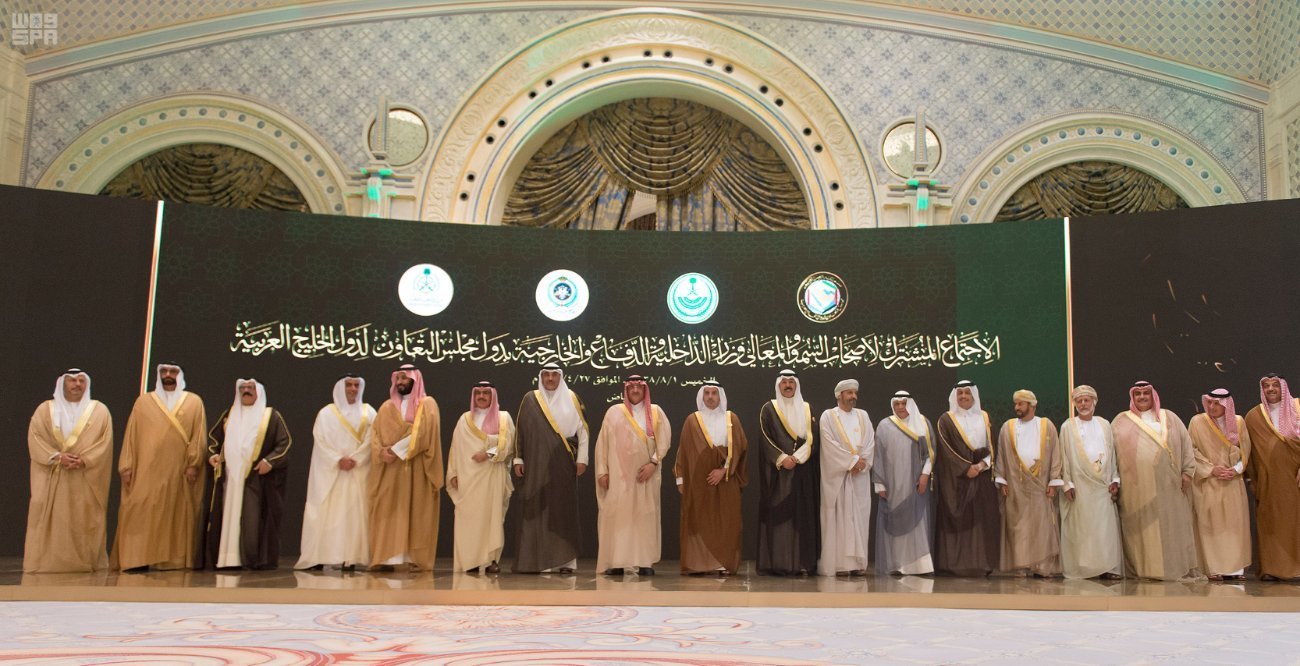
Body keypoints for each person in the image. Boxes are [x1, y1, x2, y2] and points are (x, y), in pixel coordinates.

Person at [112, 363, 206, 571]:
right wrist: (126, 465)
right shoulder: (144, 402)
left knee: (175, 513)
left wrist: (194, 463)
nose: (168, 376)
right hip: (145, 469)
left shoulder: (193, 402)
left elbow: (198, 436)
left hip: (178, 470)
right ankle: (136, 559)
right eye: (164, 372)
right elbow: (131, 436)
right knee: (139, 508)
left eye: (172, 372)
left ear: (180, 375)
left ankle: (172, 561)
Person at [24, 369, 113, 573]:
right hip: (53, 475)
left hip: (84, 477)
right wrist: (57, 457)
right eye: (72, 380)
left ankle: (83, 563)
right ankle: (46, 564)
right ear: (63, 384)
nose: (77, 385)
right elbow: (35, 438)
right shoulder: (45, 409)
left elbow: (104, 443)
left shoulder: (99, 411)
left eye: (81, 381)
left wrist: (84, 460)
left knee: (84, 519)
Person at [1111, 380, 1199, 580]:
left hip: (1170, 486)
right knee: (1144, 530)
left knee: (1170, 528)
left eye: (1146, 393)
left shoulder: (1170, 417)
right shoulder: (1121, 420)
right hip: (1137, 489)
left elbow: (1186, 445)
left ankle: (1172, 570)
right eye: (1138, 394)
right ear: (1132, 397)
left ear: (1153, 396)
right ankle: (1146, 570)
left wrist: (1187, 472)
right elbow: (1111, 453)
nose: (1142, 397)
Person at [201, 378, 292, 570]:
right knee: (227, 517)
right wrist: (213, 455)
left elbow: (284, 444)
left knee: (252, 521)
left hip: (256, 479)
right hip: (229, 477)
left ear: (259, 392)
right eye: (243, 388)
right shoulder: (230, 414)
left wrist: (269, 461)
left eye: (251, 388)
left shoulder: (270, 416)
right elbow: (213, 441)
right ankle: (227, 559)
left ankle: (251, 560)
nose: (246, 391)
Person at [512, 363, 589, 574]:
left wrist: (582, 459)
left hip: (563, 463)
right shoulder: (530, 398)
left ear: (560, 377)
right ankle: (539, 561)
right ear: (541, 376)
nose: (550, 378)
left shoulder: (572, 397)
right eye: (546, 374)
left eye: (554, 374)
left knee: (563, 511)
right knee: (537, 510)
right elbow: (521, 431)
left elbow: (583, 431)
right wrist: (518, 459)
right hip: (535, 464)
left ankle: (566, 562)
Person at [296, 375, 374, 570]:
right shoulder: (326, 414)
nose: (353, 389)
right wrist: (338, 460)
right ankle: (321, 557)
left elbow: (373, 440)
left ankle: (351, 558)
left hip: (357, 472)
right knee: (328, 515)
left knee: (354, 516)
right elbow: (320, 441)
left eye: (356, 385)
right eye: (349, 385)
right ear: (341, 387)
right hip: (331, 474)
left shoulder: (369, 412)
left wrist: (355, 458)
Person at [595, 375, 671, 576]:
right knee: (619, 518)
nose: (635, 390)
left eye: (639, 387)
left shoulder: (655, 412)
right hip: (619, 478)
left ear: (645, 389)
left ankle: (644, 562)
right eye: (632, 387)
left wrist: (653, 463)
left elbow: (664, 442)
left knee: (644, 517)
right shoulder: (613, 412)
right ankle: (617, 562)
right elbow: (602, 444)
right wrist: (603, 471)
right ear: (626, 390)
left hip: (646, 477)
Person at [370, 363, 443, 571]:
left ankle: (414, 559)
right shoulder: (386, 407)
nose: (401, 382)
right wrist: (380, 452)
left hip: (417, 469)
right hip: (390, 472)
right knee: (389, 512)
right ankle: (387, 558)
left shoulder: (427, 404)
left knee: (416, 513)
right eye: (398, 378)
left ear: (414, 380)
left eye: (405, 378)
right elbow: (374, 434)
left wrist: (396, 450)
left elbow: (423, 434)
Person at [674, 380, 747, 576]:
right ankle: (699, 564)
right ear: (702, 396)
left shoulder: (732, 419)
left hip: (726, 479)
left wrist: (724, 470)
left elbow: (740, 449)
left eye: (714, 393)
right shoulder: (692, 420)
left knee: (727, 520)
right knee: (700, 521)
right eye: (707, 393)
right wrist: (680, 478)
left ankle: (723, 563)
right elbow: (683, 451)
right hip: (699, 481)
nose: (710, 397)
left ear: (720, 396)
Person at [756, 369, 820, 576]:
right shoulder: (768, 408)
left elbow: (813, 439)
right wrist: (783, 459)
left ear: (797, 385)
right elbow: (765, 438)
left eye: (791, 381)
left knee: (802, 517)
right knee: (781, 519)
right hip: (779, 476)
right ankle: (780, 563)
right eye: (784, 382)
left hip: (802, 473)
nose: (788, 385)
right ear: (778, 385)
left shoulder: (807, 408)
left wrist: (797, 458)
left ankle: (801, 563)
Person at [447, 381, 514, 574]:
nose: (482, 397)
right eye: (479, 393)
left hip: (492, 477)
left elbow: (508, 444)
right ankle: (470, 561)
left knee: (492, 519)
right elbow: (455, 448)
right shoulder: (464, 419)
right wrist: (453, 473)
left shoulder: (503, 418)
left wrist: (488, 454)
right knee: (468, 520)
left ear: (493, 396)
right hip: (468, 480)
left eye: (486, 393)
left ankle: (491, 560)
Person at [934, 380, 1000, 576]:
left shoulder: (985, 417)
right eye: (960, 393)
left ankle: (983, 565)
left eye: (967, 393)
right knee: (960, 521)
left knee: (983, 520)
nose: (963, 396)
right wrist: (965, 468)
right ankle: (957, 566)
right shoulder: (946, 420)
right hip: (957, 481)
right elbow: (946, 452)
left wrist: (980, 466)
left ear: (974, 396)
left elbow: (992, 445)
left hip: (982, 477)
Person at [994, 389, 1063, 577]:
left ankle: (1041, 566)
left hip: (1040, 484)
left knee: (1041, 526)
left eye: (1020, 404)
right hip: (1016, 484)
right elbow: (1001, 454)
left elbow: (1056, 454)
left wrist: (1054, 480)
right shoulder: (1007, 427)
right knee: (1020, 527)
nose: (1016, 407)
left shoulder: (1046, 425)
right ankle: (1021, 565)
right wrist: (1001, 478)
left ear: (1031, 405)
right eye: (1015, 404)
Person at [1057, 385, 1123, 579]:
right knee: (1083, 528)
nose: (1083, 404)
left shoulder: (1104, 424)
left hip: (1103, 485)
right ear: (1075, 404)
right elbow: (1064, 457)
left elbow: (1112, 455)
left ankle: (1108, 568)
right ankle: (1086, 569)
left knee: (1104, 529)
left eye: (1087, 400)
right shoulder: (1067, 426)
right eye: (1079, 401)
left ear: (1094, 402)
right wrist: (1067, 483)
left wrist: (1115, 479)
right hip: (1080, 486)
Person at [1188, 388, 1251, 581]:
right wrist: (1211, 469)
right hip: (1208, 481)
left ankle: (1235, 569)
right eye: (1210, 403)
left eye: (1218, 404)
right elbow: (1192, 450)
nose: (1213, 407)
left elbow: (1245, 451)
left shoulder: (1239, 422)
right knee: (1211, 526)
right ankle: (1212, 568)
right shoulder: (1197, 422)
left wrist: (1237, 470)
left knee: (1234, 526)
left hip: (1232, 481)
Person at [1243, 373, 1300, 580]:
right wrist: (1253, 480)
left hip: (1295, 479)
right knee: (1272, 524)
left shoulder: (1298, 408)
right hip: (1269, 483)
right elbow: (1247, 451)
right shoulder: (1254, 416)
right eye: (1266, 386)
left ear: (1283, 387)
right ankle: (1273, 569)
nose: (1271, 389)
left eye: (1275, 385)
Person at [873, 390, 935, 576]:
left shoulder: (922, 423)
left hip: (915, 483)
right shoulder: (885, 425)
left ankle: (919, 566)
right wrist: (879, 483)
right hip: (892, 484)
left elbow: (930, 454)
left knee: (917, 522)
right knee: (895, 524)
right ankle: (898, 565)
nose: (900, 407)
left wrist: (925, 475)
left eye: (903, 403)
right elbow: (878, 456)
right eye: (897, 404)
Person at [818, 379, 874, 577]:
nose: (853, 397)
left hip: (859, 477)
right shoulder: (828, 416)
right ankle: (840, 564)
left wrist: (862, 463)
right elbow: (829, 444)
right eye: (849, 393)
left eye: (854, 393)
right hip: (838, 478)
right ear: (839, 395)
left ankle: (858, 564)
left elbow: (869, 442)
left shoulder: (863, 415)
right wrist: (850, 462)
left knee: (858, 518)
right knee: (839, 519)